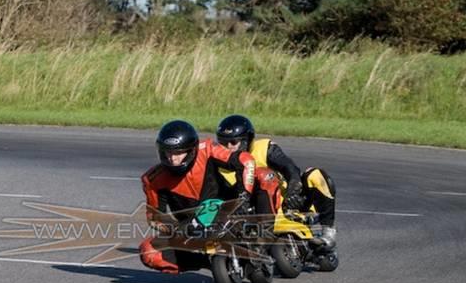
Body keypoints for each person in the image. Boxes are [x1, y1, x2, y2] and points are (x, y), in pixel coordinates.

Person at [139, 119, 258, 274]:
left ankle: (263, 236)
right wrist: (176, 230)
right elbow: (155, 218)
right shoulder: (153, 179)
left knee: (263, 176)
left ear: (191, 150)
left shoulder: (207, 150)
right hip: (192, 227)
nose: (172, 159)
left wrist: (244, 196)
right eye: (168, 152)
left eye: (178, 153)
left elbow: (246, 161)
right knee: (148, 252)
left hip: (227, 207)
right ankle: (208, 262)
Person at [216, 114, 337, 250]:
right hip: (253, 212)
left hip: (287, 201)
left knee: (315, 175)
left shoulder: (263, 148)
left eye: (233, 142)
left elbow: (290, 167)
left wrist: (293, 190)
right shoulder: (217, 164)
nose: (228, 147)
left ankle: (328, 230)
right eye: (223, 143)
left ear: (246, 140)